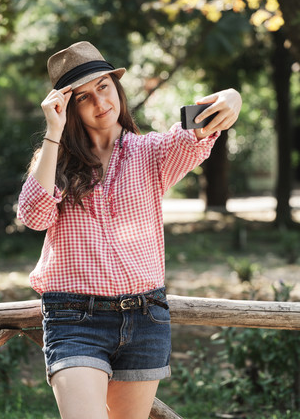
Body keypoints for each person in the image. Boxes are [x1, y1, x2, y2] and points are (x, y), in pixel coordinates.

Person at [17, 41, 241, 419]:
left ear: (116, 87)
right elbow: (34, 216)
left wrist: (232, 97)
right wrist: (53, 133)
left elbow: (193, 134)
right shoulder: (54, 158)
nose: (99, 102)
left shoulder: (151, 153)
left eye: (103, 87)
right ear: (68, 108)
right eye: (83, 97)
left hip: (144, 316)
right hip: (74, 318)